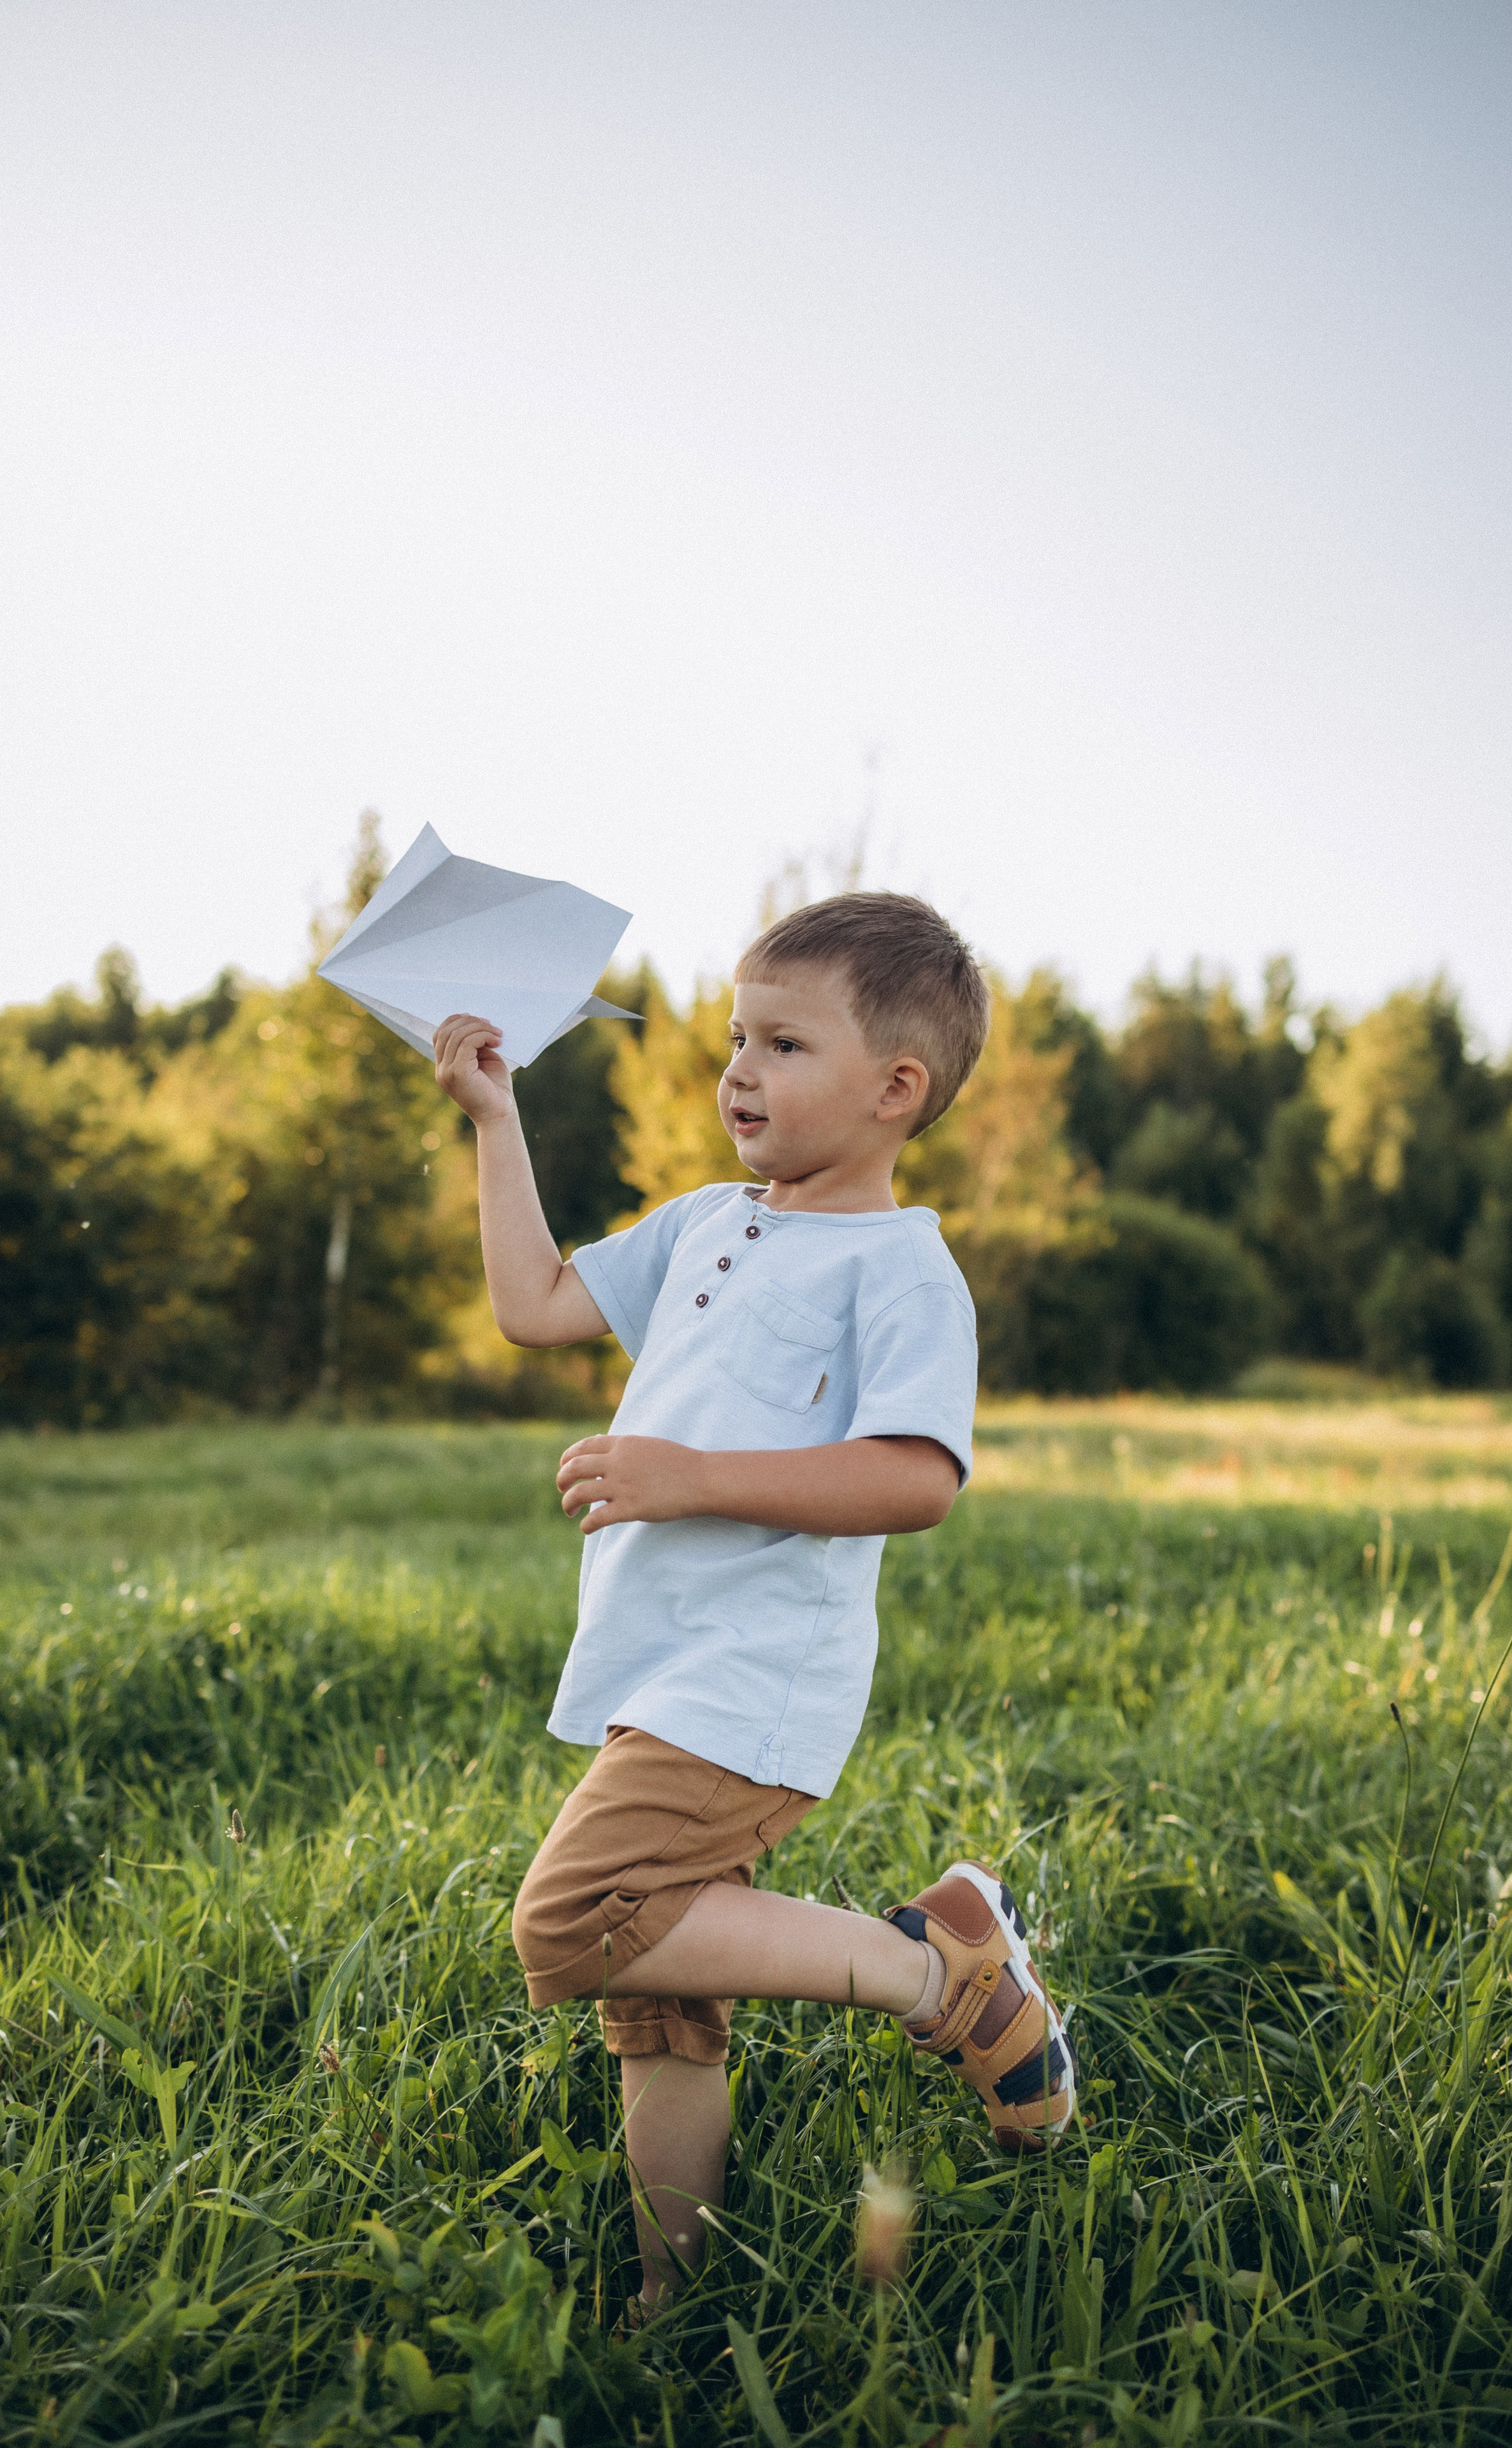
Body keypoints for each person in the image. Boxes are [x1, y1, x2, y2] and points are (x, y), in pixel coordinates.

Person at [433, 891, 1075, 2310]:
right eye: (736, 1036)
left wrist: (692, 1475)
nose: (737, 1069)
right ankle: (679, 2294)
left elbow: (915, 1479)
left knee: (574, 1915)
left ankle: (939, 1976)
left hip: (749, 1678)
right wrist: (495, 1120)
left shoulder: (901, 1268)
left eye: (782, 1044)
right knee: (657, 2006)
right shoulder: (704, 1225)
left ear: (894, 1089)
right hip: (653, 1665)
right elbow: (534, 1301)